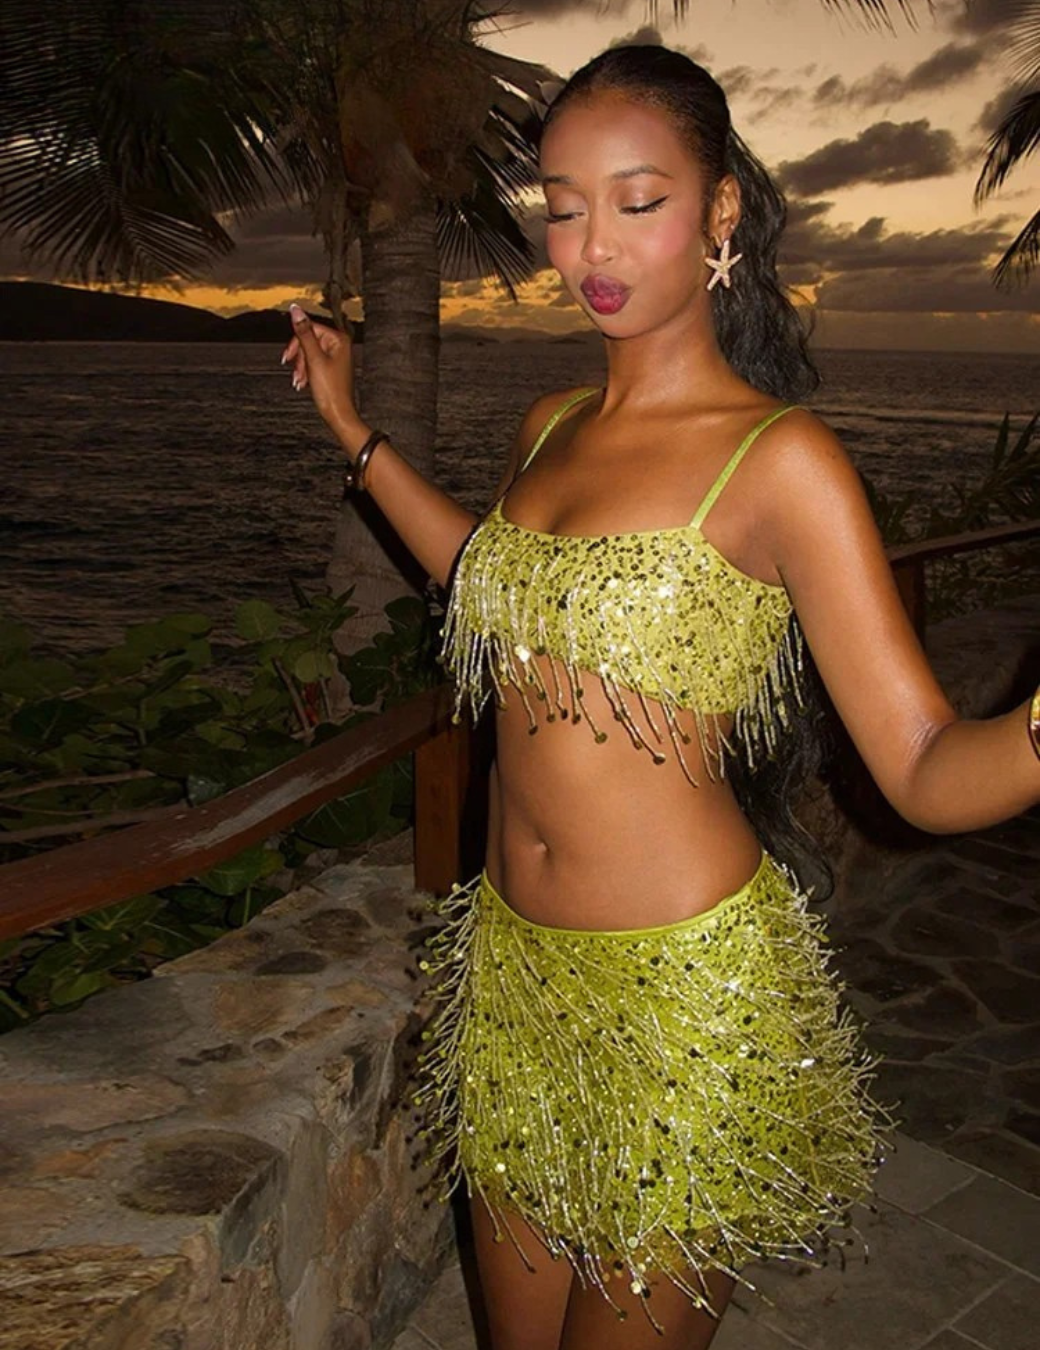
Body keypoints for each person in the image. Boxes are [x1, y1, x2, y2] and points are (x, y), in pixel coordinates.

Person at [281, 44, 1040, 1350]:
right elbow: (491, 578)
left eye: (639, 200)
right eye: (563, 206)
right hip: (514, 974)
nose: (594, 245)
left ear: (720, 208)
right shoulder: (549, 423)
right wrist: (353, 428)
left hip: (683, 1002)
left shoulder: (782, 460)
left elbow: (923, 761)